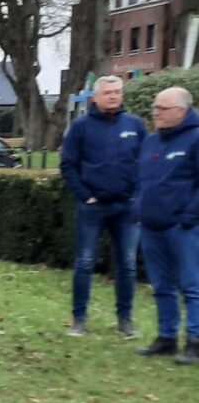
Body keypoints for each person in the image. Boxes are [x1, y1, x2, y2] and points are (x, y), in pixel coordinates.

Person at [60, 75, 146, 338]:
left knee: (127, 265)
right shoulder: (81, 128)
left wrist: (139, 198)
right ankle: (79, 319)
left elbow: (147, 165)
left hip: (127, 207)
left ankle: (125, 320)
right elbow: (68, 165)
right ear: (95, 97)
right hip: (93, 208)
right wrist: (85, 195)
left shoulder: (136, 125)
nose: (113, 96)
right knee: (85, 262)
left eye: (117, 92)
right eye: (107, 92)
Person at [135, 86, 199, 363]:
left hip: (184, 227)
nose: (156, 113)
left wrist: (189, 216)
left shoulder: (196, 139)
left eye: (162, 109)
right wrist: (139, 208)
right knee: (161, 285)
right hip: (151, 226)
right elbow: (142, 180)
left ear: (181, 112)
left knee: (191, 285)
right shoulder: (150, 142)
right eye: (155, 108)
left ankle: (195, 341)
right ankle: (167, 337)